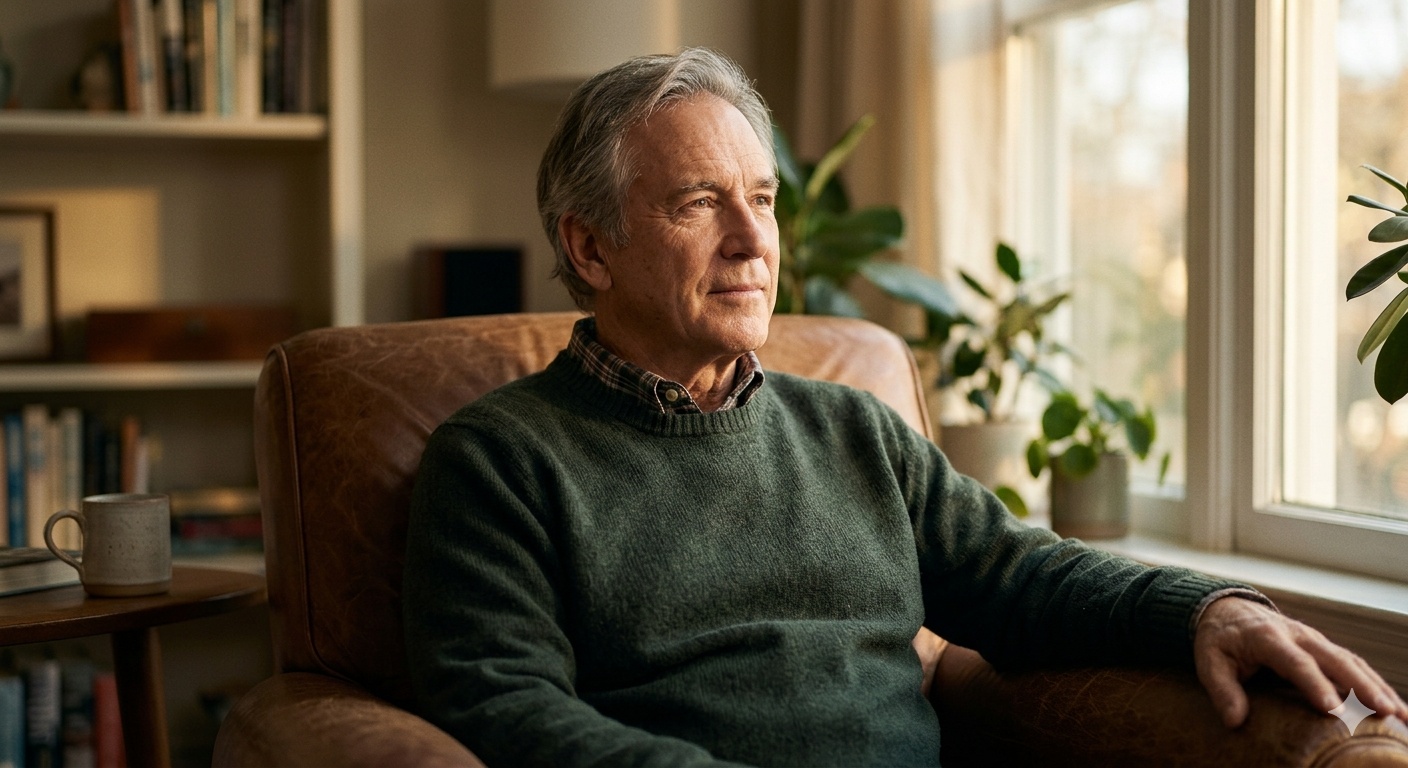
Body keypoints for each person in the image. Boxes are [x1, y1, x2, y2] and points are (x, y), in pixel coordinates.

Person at [402, 48, 1407, 767]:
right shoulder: (498, 460)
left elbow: (1017, 575)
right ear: (590, 247)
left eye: (764, 197)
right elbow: (503, 705)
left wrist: (1203, 607)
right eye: (700, 202)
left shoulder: (851, 431)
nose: (756, 241)